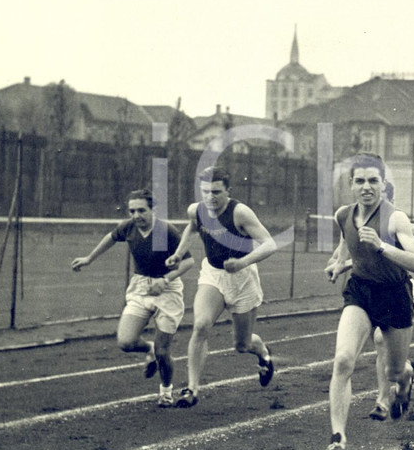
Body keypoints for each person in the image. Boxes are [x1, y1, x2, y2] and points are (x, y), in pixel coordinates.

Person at [321, 154, 414, 450]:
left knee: (394, 370)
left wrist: (383, 246)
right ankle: (338, 438)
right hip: (361, 292)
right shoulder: (343, 215)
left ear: (383, 185)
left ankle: (406, 379)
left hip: (395, 296)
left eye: (373, 181)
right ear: (351, 184)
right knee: (342, 361)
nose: (366, 187)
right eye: (360, 181)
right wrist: (339, 265)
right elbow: (347, 245)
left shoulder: (396, 220)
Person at [164, 166, 277, 408]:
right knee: (201, 325)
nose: (210, 198)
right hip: (213, 274)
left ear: (228, 191)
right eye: (206, 192)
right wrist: (178, 253)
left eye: (216, 192)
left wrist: (242, 262)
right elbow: (192, 228)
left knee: (242, 345)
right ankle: (192, 389)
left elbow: (269, 244)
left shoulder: (240, 213)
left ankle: (264, 353)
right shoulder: (196, 211)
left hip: (243, 278)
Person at [71, 189, 195, 407]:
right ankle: (148, 351)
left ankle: (166, 392)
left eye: (141, 210)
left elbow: (188, 262)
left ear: (152, 210)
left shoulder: (166, 231)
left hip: (167, 290)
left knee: (163, 350)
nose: (136, 215)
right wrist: (89, 258)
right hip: (140, 287)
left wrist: (165, 280)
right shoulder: (128, 227)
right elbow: (110, 238)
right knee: (126, 342)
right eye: (132, 211)